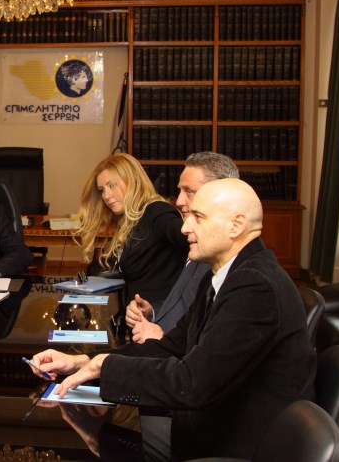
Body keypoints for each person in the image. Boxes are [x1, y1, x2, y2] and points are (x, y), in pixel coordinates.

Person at [32, 179, 315, 460]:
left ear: (236, 225)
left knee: (89, 444)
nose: (184, 227)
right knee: (104, 437)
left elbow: (192, 384)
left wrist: (105, 367)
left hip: (238, 447)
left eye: (198, 217)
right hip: (209, 427)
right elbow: (171, 346)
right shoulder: (225, 276)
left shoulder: (254, 286)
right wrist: (84, 362)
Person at [126, 152, 240, 342]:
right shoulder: (202, 248)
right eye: (180, 191)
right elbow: (185, 308)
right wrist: (152, 312)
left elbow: (213, 344)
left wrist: (162, 337)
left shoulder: (227, 261)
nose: (178, 201)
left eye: (189, 191)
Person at [74, 153, 188, 310]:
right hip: (135, 313)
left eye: (112, 185)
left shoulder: (158, 212)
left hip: (157, 316)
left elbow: (192, 240)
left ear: (133, 180)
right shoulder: (133, 217)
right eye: (102, 190)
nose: (106, 196)